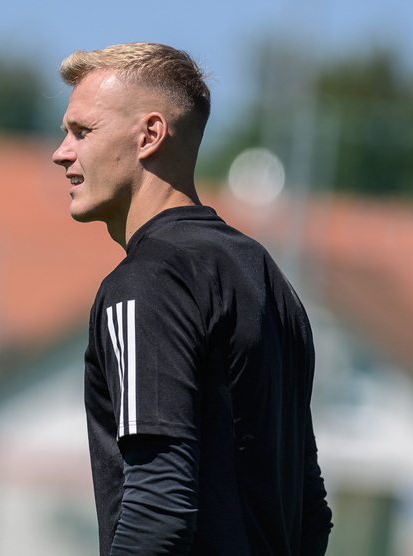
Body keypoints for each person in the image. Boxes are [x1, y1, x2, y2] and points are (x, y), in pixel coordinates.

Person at [51, 42, 332, 555]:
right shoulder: (268, 279)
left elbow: (158, 508)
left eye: (82, 131)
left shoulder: (147, 281)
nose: (61, 152)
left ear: (150, 135)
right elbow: (310, 514)